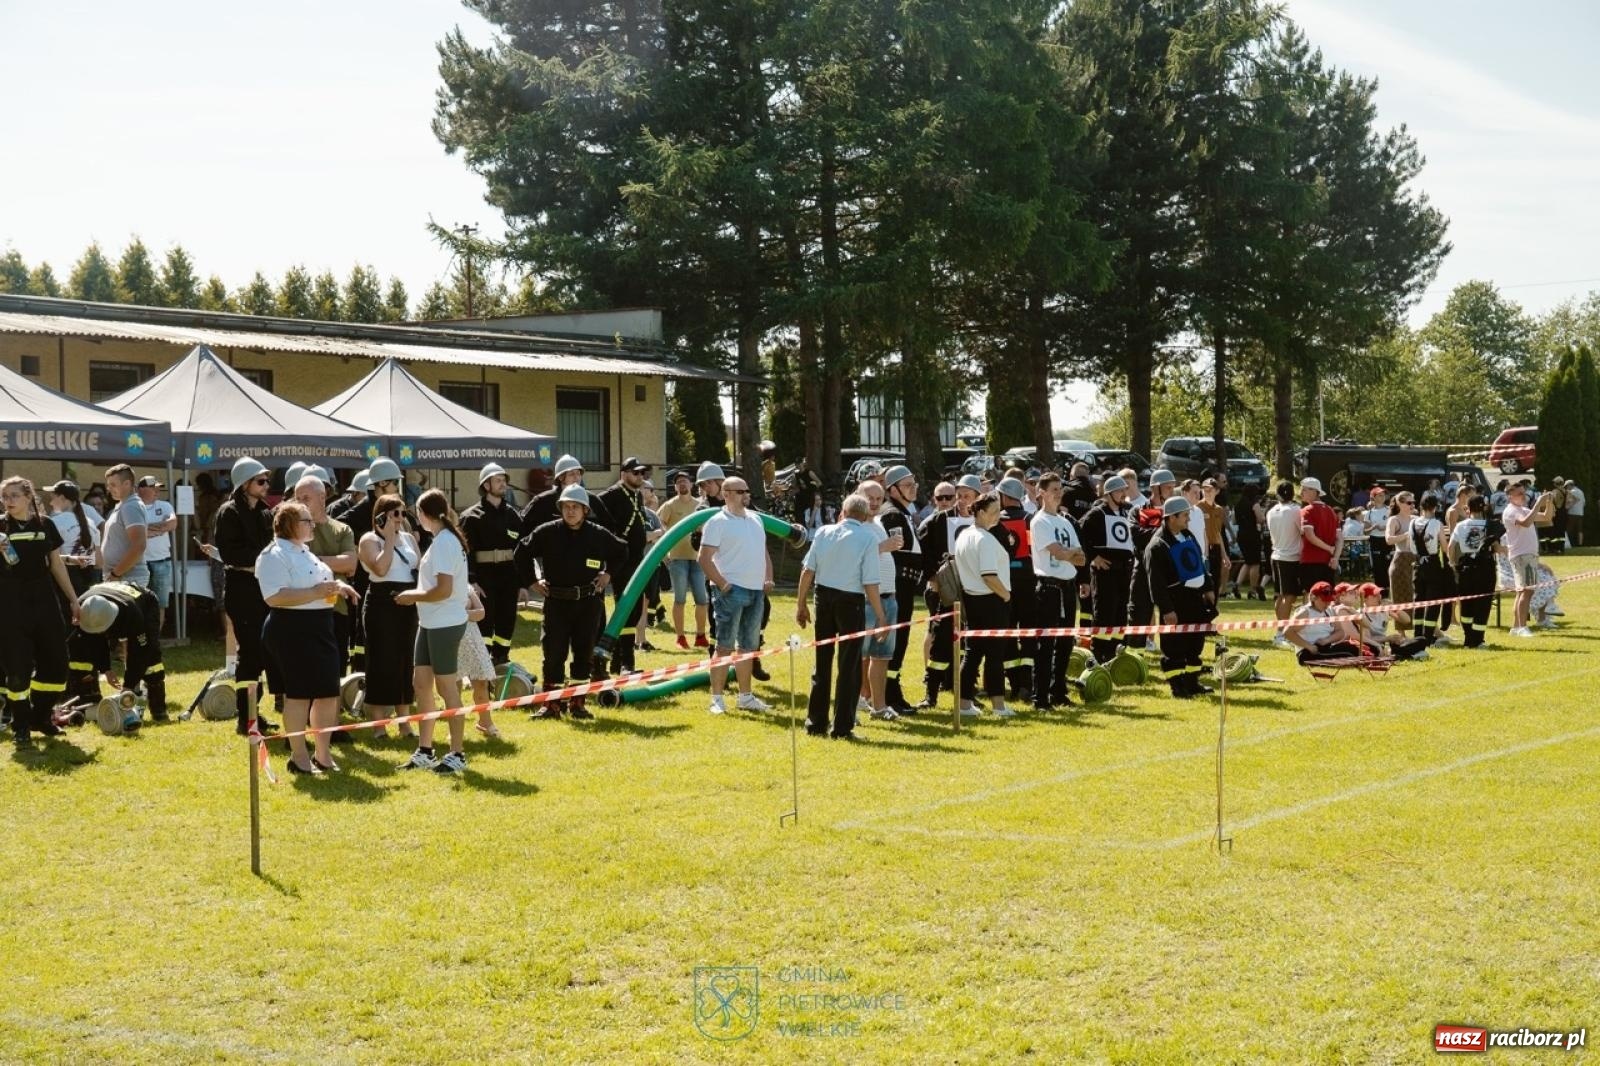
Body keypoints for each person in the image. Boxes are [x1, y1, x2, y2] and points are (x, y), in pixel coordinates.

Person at [255, 501, 359, 775]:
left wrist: (339, 586)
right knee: (299, 695)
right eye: (306, 521)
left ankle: (323, 755)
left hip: (321, 626)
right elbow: (274, 597)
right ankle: (299, 756)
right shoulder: (273, 555)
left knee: (327, 693)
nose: (313, 525)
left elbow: (319, 583)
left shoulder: (307, 552)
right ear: (289, 524)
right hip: (291, 629)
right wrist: (316, 592)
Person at [522, 484, 626, 721]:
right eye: (566, 507)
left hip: (588, 604)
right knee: (553, 653)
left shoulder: (598, 534)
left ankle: (577, 704)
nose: (570, 511)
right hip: (556, 603)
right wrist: (532, 581)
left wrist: (608, 574)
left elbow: (622, 551)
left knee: (583, 653)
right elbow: (522, 552)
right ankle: (552, 705)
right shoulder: (547, 532)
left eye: (575, 507)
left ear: (585, 510)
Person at [394, 490, 473, 772]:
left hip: (445, 623)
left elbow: (443, 590)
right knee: (421, 684)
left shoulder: (444, 542)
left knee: (446, 688)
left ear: (424, 514)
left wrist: (412, 596)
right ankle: (425, 750)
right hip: (430, 622)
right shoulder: (441, 540)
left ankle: (457, 753)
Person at [795, 494, 882, 739]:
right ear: (865, 516)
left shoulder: (824, 532)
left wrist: (801, 604)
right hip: (850, 602)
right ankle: (842, 727)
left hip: (823, 598)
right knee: (849, 666)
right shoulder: (868, 537)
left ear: (842, 512)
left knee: (822, 662)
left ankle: (815, 722)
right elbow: (870, 582)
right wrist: (881, 615)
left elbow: (808, 570)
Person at [0, 477, 79, 742]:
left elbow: (56, 564)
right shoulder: (0, 526)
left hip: (44, 599)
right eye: (4, 496)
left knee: (57, 662)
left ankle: (41, 717)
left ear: (28, 496)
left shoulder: (46, 525)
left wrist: (73, 599)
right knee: (17, 667)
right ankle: (20, 725)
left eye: (13, 495)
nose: (8, 501)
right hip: (10, 602)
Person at [698, 477, 774, 714]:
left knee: (749, 647)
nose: (746, 495)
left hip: (755, 591)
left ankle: (745, 697)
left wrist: (768, 577)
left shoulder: (756, 519)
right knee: (724, 646)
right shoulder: (717, 522)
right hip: (731, 592)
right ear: (726, 494)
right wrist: (722, 584)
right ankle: (717, 699)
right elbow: (704, 558)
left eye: (747, 490)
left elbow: (763, 552)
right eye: (741, 491)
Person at [214, 457, 278, 735]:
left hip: (263, 588)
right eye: (260, 481)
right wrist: (263, 560)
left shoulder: (265, 513)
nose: (266, 485)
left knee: (263, 651)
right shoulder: (229, 513)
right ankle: (246, 717)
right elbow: (231, 554)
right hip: (241, 590)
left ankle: (254, 712)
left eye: (266, 481)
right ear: (244, 484)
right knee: (250, 653)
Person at [357, 494, 420, 738]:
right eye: (395, 514)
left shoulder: (409, 538)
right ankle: (379, 724)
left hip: (407, 599)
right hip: (381, 602)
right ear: (381, 516)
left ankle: (404, 723)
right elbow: (381, 568)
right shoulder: (369, 540)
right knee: (381, 659)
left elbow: (418, 566)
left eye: (403, 513)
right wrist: (390, 538)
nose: (400, 519)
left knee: (405, 659)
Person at [1144, 495, 1216, 698]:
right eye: (1185, 515)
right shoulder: (1157, 545)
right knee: (1174, 646)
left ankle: (1192, 683)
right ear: (1172, 517)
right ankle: (1177, 686)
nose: (1188, 519)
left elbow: (1199, 563)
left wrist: (1208, 588)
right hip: (1175, 601)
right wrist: (1167, 610)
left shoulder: (1188, 536)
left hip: (1195, 599)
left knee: (1195, 643)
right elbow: (1156, 583)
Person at [915, 475, 976, 707]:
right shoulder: (937, 521)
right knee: (940, 641)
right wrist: (933, 578)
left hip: (974, 589)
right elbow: (923, 552)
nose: (961, 501)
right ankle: (931, 693)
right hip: (946, 589)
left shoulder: (983, 520)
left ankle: (966, 691)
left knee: (970, 643)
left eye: (966, 496)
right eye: (958, 496)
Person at [294, 474, 358, 689]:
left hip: (336, 608)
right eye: (297, 499)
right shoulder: (291, 531)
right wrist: (333, 562)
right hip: (302, 607)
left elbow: (350, 564)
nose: (300, 504)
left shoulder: (341, 529)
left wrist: (310, 560)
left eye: (306, 498)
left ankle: (334, 706)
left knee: (335, 667)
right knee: (304, 669)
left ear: (322, 497)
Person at [74, 580, 171, 721]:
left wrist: (128, 686)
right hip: (112, 599)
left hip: (145, 604)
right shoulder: (81, 607)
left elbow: (139, 652)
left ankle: (158, 709)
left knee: (151, 658)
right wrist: (106, 669)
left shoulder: (131, 614)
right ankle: (89, 703)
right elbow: (94, 641)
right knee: (82, 651)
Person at [953, 492, 1013, 718]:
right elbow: (989, 575)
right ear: (979, 512)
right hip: (991, 600)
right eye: (993, 511)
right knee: (995, 655)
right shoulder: (984, 539)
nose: (998, 515)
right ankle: (999, 706)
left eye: (999, 510)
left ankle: (964, 704)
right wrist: (1006, 595)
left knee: (973, 653)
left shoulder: (964, 535)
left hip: (972, 599)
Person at [1030, 473, 1085, 711]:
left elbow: (1081, 559)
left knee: (1065, 643)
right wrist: (1067, 553)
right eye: (1053, 489)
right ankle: (1040, 697)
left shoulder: (1066, 522)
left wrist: (1066, 553)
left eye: (1060, 488)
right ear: (1041, 492)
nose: (1058, 493)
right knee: (1046, 644)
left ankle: (1058, 692)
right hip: (1049, 587)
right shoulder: (1040, 521)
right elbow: (1058, 553)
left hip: (1068, 586)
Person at [593, 456, 653, 675]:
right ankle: (626, 663)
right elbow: (595, 518)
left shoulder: (637, 495)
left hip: (637, 559)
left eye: (642, 473)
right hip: (620, 560)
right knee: (626, 607)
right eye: (635, 473)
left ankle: (619, 662)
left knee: (634, 609)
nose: (640, 476)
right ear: (623, 474)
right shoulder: (611, 495)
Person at [460, 463, 522, 668]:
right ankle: (481, 664)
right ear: (486, 485)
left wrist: (522, 583)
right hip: (484, 580)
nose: (503, 484)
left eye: (504, 480)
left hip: (508, 578)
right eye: (498, 480)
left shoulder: (513, 516)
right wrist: (471, 582)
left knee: (507, 620)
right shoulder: (470, 517)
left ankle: (501, 659)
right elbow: (466, 553)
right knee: (485, 622)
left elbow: (521, 550)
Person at [877, 465, 923, 714]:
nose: (913, 489)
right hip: (898, 587)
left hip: (906, 586)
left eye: (914, 483)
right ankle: (890, 694)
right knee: (895, 642)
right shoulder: (893, 515)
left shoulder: (903, 513)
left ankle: (893, 692)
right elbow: (895, 554)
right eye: (907, 485)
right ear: (893, 490)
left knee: (901, 641)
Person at [1081, 475, 1134, 667]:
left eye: (1124, 490)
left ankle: (1115, 653)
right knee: (1105, 613)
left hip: (1124, 571)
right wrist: (1093, 556)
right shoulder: (1097, 514)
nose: (1124, 494)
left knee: (1120, 613)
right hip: (1105, 572)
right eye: (1120, 491)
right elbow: (1080, 533)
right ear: (1109, 493)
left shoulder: (1126, 513)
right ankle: (1099, 653)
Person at [657, 469, 708, 649]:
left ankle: (701, 636)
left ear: (692, 484)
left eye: (685, 481)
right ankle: (680, 637)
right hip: (677, 559)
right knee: (680, 599)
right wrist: (664, 556)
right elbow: (658, 527)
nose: (682, 484)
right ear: (675, 487)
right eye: (679, 482)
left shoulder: (701, 505)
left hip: (698, 559)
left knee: (702, 599)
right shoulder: (669, 505)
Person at [1500, 482, 1556, 637]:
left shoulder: (1523, 509)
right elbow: (1526, 522)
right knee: (1526, 592)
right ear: (1510, 496)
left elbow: (1546, 517)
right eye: (1519, 494)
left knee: (1523, 592)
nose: (1523, 496)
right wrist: (1538, 503)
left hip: (1528, 556)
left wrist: (1548, 502)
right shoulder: (1510, 511)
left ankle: (1516, 627)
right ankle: (1521, 627)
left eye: (1524, 493)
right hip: (1521, 556)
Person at [1448, 494, 1502, 649]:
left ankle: (1468, 638)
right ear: (1484, 507)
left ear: (1468, 508)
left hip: (1466, 567)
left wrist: (1452, 563)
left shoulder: (1461, 525)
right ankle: (1478, 640)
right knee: (1483, 603)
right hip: (1485, 567)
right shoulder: (1490, 525)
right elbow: (1497, 548)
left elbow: (1451, 547)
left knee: (1466, 603)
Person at [134, 475, 177, 632]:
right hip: (138, 562)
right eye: (153, 488)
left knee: (160, 603)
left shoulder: (165, 505)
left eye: (158, 488)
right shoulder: (132, 507)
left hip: (162, 561)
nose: (157, 491)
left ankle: (155, 638)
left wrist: (146, 529)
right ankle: (140, 637)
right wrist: (158, 527)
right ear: (141, 489)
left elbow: (172, 523)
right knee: (137, 601)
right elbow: (132, 531)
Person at [1286, 581, 1365, 666]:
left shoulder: (1329, 610)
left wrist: (1326, 640)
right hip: (1308, 651)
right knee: (1349, 654)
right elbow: (1288, 632)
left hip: (1326, 646)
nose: (1327, 603)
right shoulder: (1305, 612)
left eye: (1329, 601)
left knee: (1353, 648)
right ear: (1313, 597)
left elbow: (1340, 632)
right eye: (1324, 600)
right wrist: (1308, 646)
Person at [99, 464, 149, 589]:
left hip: (127, 578)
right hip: (120, 577)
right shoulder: (124, 505)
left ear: (127, 484)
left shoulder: (131, 506)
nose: (108, 488)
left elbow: (139, 545)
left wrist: (116, 573)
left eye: (113, 484)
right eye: (108, 485)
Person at [46, 480, 100, 596]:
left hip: (62, 584)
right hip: (88, 583)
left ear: (62, 498)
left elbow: (50, 558)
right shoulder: (91, 523)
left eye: (52, 498)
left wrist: (70, 559)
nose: (50, 503)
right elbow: (99, 562)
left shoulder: (53, 522)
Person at [1350, 583, 1429, 661]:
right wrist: (1388, 638)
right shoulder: (1361, 614)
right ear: (1364, 599)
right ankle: (1404, 654)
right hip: (1372, 646)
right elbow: (1367, 639)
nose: (1379, 597)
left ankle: (1402, 654)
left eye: (1379, 594)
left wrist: (1394, 607)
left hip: (1385, 644)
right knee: (1412, 647)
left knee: (1422, 639)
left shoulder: (1383, 610)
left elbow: (1406, 620)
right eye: (1375, 595)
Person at [1409, 494, 1449, 646]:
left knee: (1419, 600)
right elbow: (1444, 547)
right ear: (1435, 507)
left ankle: (1417, 634)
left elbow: (1411, 545)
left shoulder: (1413, 522)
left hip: (1417, 563)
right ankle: (1428, 636)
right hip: (1432, 563)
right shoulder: (1436, 523)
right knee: (1433, 601)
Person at [1266, 482, 1304, 645]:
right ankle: (1281, 633)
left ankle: (1280, 632)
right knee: (1289, 596)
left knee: (1281, 595)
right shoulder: (1295, 510)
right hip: (1290, 557)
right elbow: (1303, 531)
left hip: (1276, 555)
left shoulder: (1271, 511)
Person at [1298, 477, 1340, 590]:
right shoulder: (1331, 510)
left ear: (1314, 491)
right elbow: (1340, 538)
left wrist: (1329, 549)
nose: (1301, 493)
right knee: (1327, 595)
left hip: (1310, 560)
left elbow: (1310, 536)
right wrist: (1335, 557)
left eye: (1304, 489)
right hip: (1328, 561)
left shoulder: (1307, 510)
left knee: (1311, 594)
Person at [1231, 485, 1265, 601]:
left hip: (1241, 534)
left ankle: (1237, 584)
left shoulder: (1238, 504)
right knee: (1255, 563)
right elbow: (1260, 519)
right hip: (1252, 534)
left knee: (1247, 561)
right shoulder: (1255, 504)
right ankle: (1252, 590)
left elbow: (1234, 521)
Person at [1363, 487, 1391, 592]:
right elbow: (1365, 531)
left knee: (1387, 564)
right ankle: (1379, 589)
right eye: (1379, 495)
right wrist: (1373, 527)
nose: (1382, 497)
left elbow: (1395, 526)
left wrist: (1385, 528)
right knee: (1377, 565)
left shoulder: (1389, 510)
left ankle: (1388, 588)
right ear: (1373, 497)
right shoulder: (1369, 513)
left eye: (1383, 495)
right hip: (1375, 540)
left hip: (1387, 540)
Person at [1565, 480, 1585, 547]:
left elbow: (1568, 502)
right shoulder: (1581, 492)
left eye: (1566, 486)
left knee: (1569, 529)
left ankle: (1569, 544)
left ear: (1569, 485)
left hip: (1572, 513)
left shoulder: (1571, 492)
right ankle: (1580, 544)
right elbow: (1584, 503)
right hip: (1580, 513)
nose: (1566, 488)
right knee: (1580, 530)